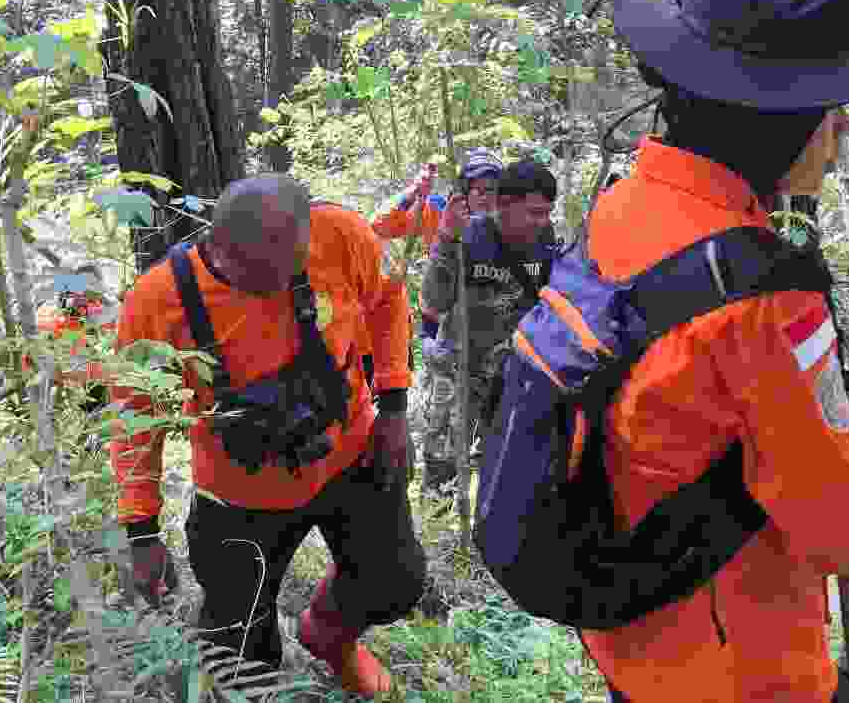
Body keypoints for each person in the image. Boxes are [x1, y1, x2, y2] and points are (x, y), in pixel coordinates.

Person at [581, 0, 849, 702]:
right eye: (834, 109)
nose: (847, 134)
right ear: (782, 120)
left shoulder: (623, 208)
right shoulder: (759, 295)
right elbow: (837, 524)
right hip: (740, 660)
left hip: (631, 626)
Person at [110, 176, 423, 698]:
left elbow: (389, 300)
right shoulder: (157, 301)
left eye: (291, 266)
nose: (279, 282)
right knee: (238, 644)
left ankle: (328, 636)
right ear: (219, 245)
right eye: (259, 272)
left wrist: (393, 405)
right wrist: (141, 531)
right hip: (239, 492)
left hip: (350, 454)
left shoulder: (341, 234)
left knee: (394, 582)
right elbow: (135, 417)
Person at [417, 156, 561, 494]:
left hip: (511, 374)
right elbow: (434, 302)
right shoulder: (470, 235)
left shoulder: (545, 240)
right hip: (459, 371)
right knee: (443, 471)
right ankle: (445, 532)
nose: (543, 222)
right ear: (505, 206)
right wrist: (447, 240)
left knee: (500, 473)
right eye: (534, 213)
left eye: (547, 212)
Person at [371, 149, 504, 242]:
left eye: (491, 190)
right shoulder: (438, 211)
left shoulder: (513, 221)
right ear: (464, 190)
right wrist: (414, 192)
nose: (485, 197)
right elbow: (380, 227)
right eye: (479, 190)